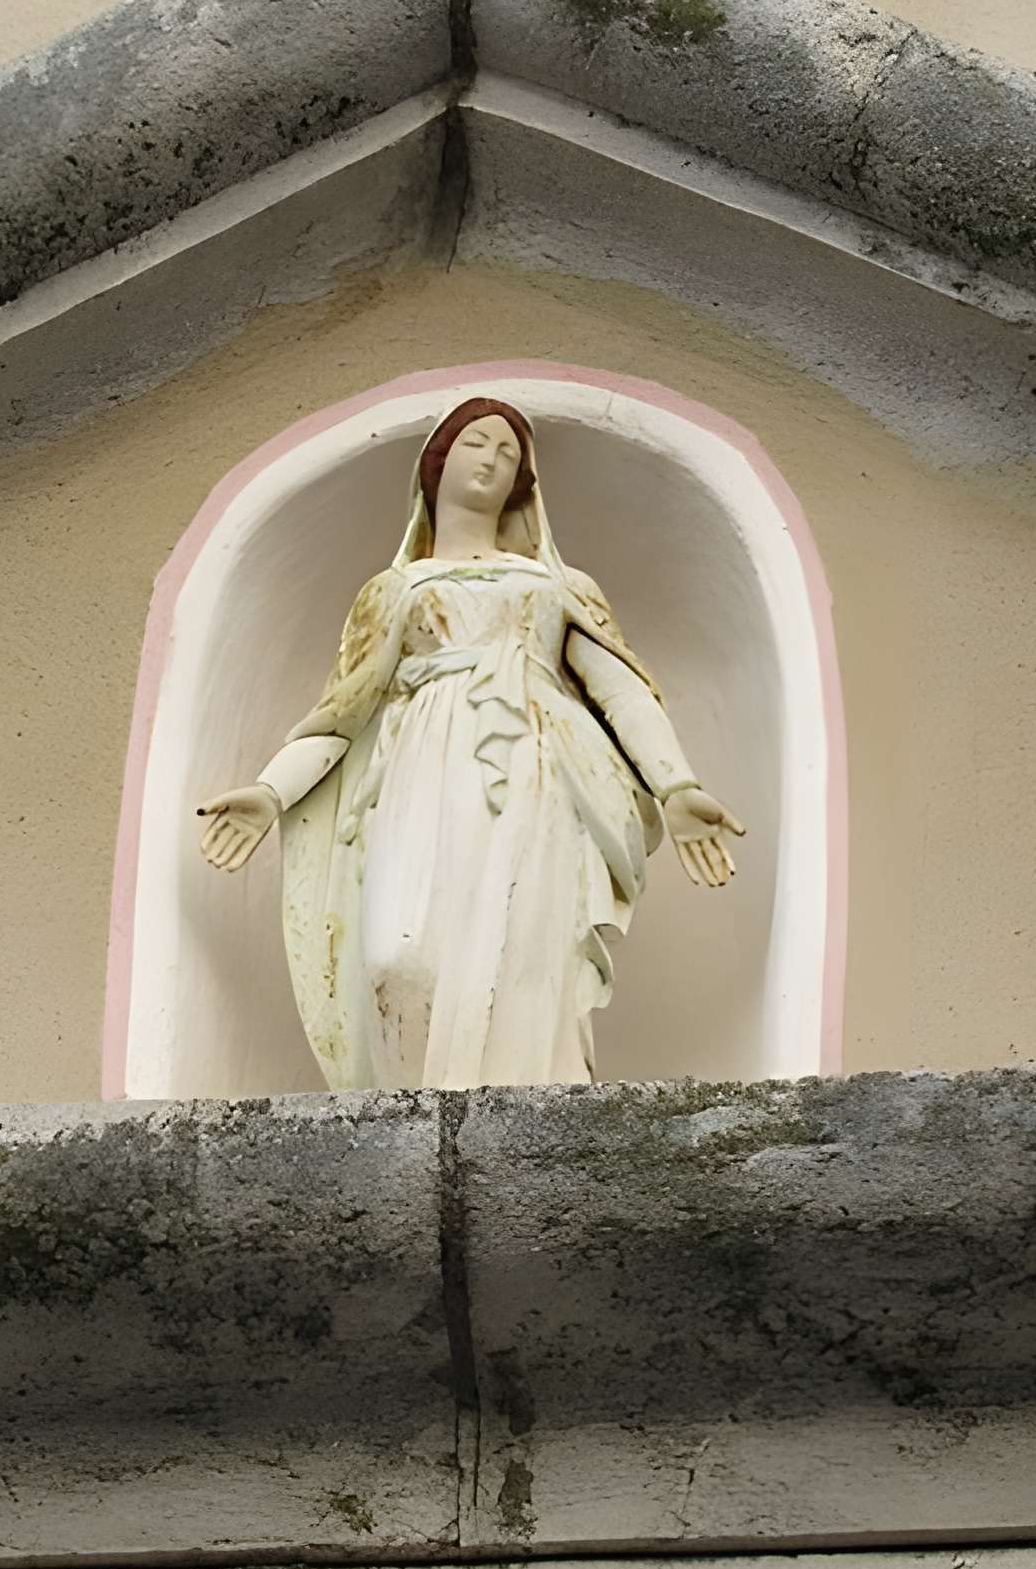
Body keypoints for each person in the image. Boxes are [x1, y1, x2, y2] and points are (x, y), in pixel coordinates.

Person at [196, 396, 744, 1089]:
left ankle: (527, 1111)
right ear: (438, 463)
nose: (491, 459)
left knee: (520, 960)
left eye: (509, 453)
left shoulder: (557, 587)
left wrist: (677, 786)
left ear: (523, 483)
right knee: (398, 957)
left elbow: (622, 688)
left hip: (537, 772)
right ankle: (410, 1116)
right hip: (420, 773)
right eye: (477, 443)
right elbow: (340, 716)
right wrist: (269, 792)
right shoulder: (395, 590)